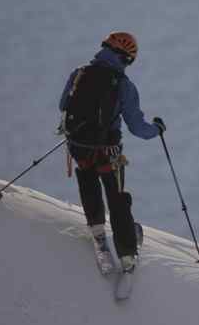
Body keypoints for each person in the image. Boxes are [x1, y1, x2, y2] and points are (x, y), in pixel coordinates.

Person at [58, 31, 165, 273]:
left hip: (79, 146)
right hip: (108, 150)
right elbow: (138, 127)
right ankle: (127, 254)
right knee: (116, 197)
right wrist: (157, 130)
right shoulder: (124, 85)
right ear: (126, 59)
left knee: (88, 183)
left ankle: (98, 236)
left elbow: (63, 104)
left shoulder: (79, 73)